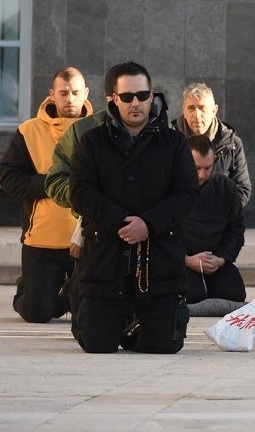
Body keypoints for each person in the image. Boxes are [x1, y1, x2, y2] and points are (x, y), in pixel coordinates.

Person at [69, 62, 198, 354]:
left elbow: (187, 194)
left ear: (152, 96)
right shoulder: (91, 141)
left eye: (142, 95)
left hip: (158, 263)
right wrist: (121, 221)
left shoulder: (174, 142)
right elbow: (81, 192)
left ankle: (133, 328)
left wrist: (148, 225)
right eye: (126, 96)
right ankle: (91, 310)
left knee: (164, 345)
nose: (135, 103)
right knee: (96, 344)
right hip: (105, 262)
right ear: (112, 99)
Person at [0, 68, 92, 323]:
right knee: (38, 313)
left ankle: (65, 296)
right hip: (41, 240)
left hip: (88, 239)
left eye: (75, 92)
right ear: (52, 95)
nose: (70, 99)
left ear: (86, 93)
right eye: (63, 93)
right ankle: (27, 289)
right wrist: (54, 185)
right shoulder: (28, 131)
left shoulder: (101, 129)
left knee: (89, 315)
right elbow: (7, 177)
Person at [183, 135, 247, 315]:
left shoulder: (225, 187)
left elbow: (236, 230)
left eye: (207, 168)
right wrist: (187, 260)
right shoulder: (170, 187)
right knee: (191, 293)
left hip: (215, 259)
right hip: (183, 259)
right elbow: (163, 232)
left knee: (233, 293)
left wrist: (222, 258)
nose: (202, 175)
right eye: (196, 168)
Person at [173, 83, 252, 208]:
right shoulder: (170, 141)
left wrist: (217, 215)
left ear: (214, 110)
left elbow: (242, 190)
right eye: (191, 108)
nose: (197, 115)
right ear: (183, 110)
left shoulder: (232, 144)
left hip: (218, 222)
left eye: (202, 108)